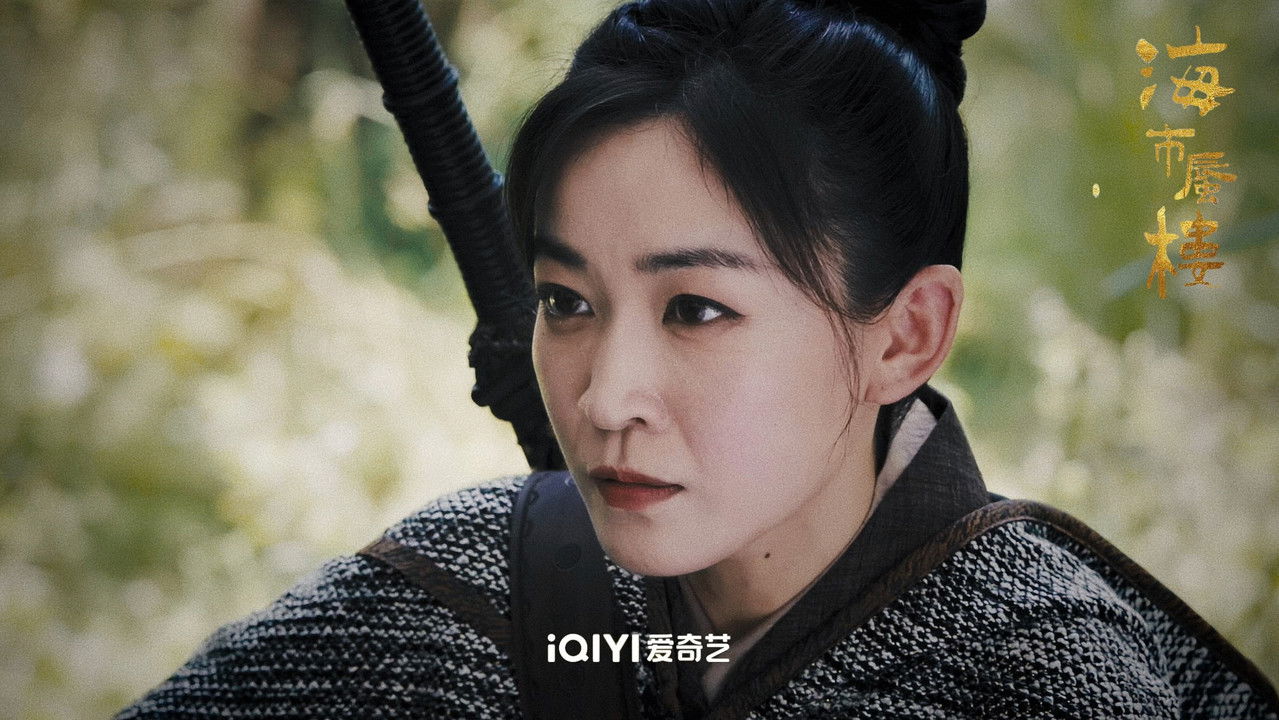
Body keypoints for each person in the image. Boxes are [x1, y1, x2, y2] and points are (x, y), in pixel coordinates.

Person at [117, 0, 1277, 718]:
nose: (604, 396)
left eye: (696, 310)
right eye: (568, 300)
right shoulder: (482, 584)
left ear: (905, 334)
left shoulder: (1045, 683)